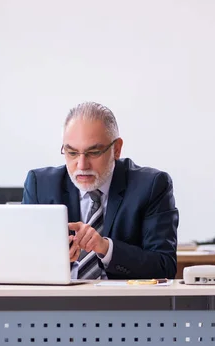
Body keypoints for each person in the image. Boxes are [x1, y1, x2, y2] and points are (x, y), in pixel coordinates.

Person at [22, 102, 179, 279]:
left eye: (94, 152)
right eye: (72, 153)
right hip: (59, 303)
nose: (81, 165)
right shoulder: (40, 185)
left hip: (123, 303)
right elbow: (21, 259)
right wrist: (52, 260)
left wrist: (105, 248)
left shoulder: (151, 186)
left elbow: (164, 266)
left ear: (116, 149)